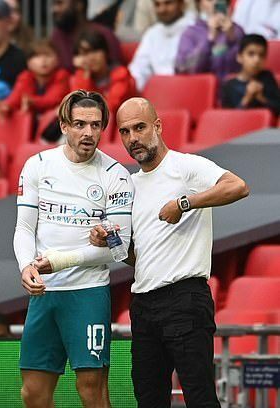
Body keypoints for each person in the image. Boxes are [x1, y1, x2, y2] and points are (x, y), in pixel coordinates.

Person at [86, 97, 249, 407]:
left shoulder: (184, 166)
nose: (133, 138)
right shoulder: (129, 185)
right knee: (148, 399)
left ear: (157, 126)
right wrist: (110, 241)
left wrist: (184, 203)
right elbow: (137, 257)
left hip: (185, 297)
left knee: (199, 397)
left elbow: (238, 186)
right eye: (125, 131)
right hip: (145, 303)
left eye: (140, 127)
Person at [13, 90, 133, 408]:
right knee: (33, 393)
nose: (88, 133)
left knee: (92, 391)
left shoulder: (116, 176)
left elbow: (120, 249)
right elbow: (24, 228)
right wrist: (27, 265)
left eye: (95, 126)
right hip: (45, 294)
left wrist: (61, 261)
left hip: (88, 292)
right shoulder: (38, 165)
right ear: (64, 125)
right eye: (80, 124)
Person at [129, 0, 195, 91]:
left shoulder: (196, 29)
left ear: (181, 4)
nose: (162, 9)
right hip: (158, 95)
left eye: (168, 3)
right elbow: (138, 70)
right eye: (157, 4)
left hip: (188, 91)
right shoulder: (152, 33)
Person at [0, 38, 71, 117]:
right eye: (37, 56)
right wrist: (7, 106)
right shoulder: (25, 76)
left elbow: (55, 99)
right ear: (28, 63)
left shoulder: (62, 75)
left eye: (48, 55)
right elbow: (16, 96)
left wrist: (32, 101)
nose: (43, 60)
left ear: (57, 60)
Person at [71, 29, 137, 115]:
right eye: (85, 53)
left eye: (94, 51)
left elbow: (110, 109)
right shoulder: (83, 76)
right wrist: (85, 76)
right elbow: (78, 107)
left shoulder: (121, 74)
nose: (91, 58)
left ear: (105, 52)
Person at [175, 0, 244, 81]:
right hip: (200, 88)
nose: (215, 3)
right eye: (209, 0)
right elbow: (183, 68)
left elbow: (244, 68)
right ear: (200, 4)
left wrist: (232, 40)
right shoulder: (191, 33)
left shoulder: (236, 31)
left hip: (231, 89)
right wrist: (209, 39)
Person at [51, 0, 123, 71]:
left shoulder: (104, 34)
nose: (54, 9)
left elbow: (116, 71)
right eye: (53, 4)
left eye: (60, 3)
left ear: (79, 5)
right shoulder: (57, 36)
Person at [221, 34, 280, 116]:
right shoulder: (229, 86)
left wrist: (261, 98)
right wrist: (247, 98)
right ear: (239, 57)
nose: (256, 60)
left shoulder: (267, 78)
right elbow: (227, 118)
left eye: (261, 55)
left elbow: (278, 108)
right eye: (251, 54)